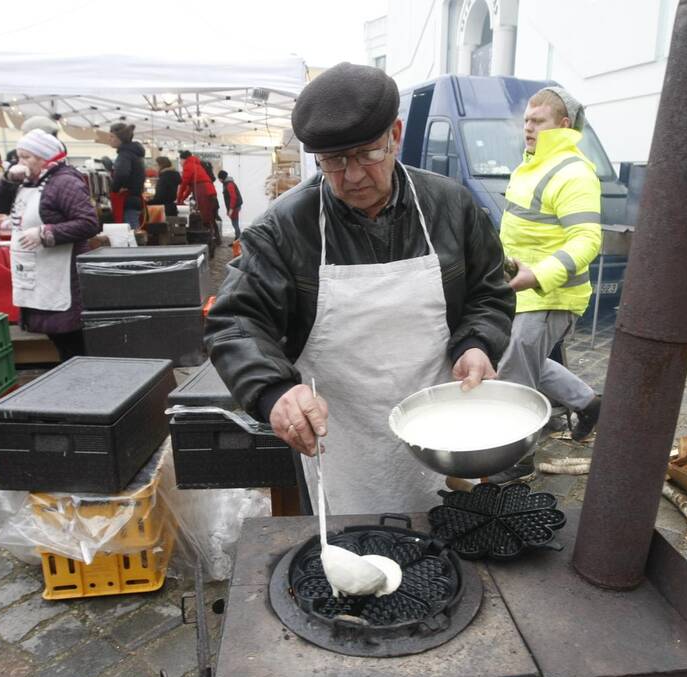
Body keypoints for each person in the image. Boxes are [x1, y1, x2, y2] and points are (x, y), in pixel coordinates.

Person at [204, 62, 514, 515]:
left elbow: (489, 292)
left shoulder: (452, 205)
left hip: (442, 428)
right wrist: (273, 391)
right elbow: (236, 321)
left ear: (396, 134)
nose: (351, 176)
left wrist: (478, 343)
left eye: (368, 154)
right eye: (333, 161)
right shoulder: (284, 227)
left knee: (453, 539)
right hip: (341, 436)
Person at [493, 87, 604, 481]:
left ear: (563, 124)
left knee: (513, 376)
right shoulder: (533, 164)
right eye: (526, 120)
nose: (527, 128)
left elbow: (588, 241)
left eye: (537, 121)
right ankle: (589, 404)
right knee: (527, 362)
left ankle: (514, 463)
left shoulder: (573, 172)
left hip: (549, 294)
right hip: (524, 292)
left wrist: (538, 275)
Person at [0, 129, 99, 360]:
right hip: (36, 270)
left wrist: (46, 233)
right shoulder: (24, 182)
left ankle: (81, 380)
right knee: (61, 341)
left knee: (72, 340)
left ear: (45, 158)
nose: (21, 163)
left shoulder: (65, 182)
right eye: (19, 157)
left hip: (63, 275)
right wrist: (7, 180)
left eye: (26, 157)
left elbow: (88, 223)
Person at [107, 122, 146, 229]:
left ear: (120, 138)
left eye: (111, 136)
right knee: (133, 231)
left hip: (128, 199)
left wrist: (115, 188)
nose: (109, 139)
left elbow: (122, 173)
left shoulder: (125, 154)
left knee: (131, 233)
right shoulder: (134, 153)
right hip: (135, 198)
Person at [177, 150, 220, 243]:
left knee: (205, 217)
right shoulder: (196, 165)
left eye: (180, 160)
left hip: (203, 191)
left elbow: (184, 184)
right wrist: (182, 198)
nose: (180, 162)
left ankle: (208, 239)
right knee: (210, 216)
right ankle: (215, 238)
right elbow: (190, 187)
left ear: (183, 159)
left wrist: (179, 199)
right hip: (209, 191)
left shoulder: (188, 166)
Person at [218, 169, 243, 238]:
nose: (219, 180)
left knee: (235, 223)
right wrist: (228, 209)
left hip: (235, 206)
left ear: (222, 178)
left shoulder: (229, 184)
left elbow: (233, 197)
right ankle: (237, 239)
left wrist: (231, 209)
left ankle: (238, 240)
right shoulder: (226, 183)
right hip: (233, 206)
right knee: (234, 223)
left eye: (219, 178)